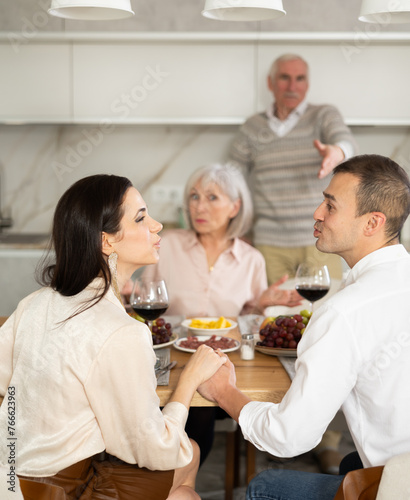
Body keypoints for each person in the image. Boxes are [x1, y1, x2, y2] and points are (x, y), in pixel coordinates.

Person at [0, 174, 228, 500]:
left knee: (189, 450)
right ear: (107, 241)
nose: (157, 225)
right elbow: (155, 450)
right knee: (185, 486)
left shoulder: (34, 303)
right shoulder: (123, 332)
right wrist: (188, 381)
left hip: (9, 480)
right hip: (66, 489)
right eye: (141, 218)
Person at [198, 154, 410, 500]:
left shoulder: (344, 312)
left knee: (265, 486)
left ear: (372, 223)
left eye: (330, 205)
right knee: (351, 463)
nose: (317, 213)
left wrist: (223, 392)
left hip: (401, 487)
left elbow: (288, 437)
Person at [140, 163, 302, 466]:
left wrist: (260, 305)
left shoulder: (251, 260)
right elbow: (148, 312)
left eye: (212, 197)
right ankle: (173, 474)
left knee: (202, 404)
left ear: (235, 206)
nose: (199, 206)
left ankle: (177, 473)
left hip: (222, 368)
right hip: (167, 365)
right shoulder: (167, 246)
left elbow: (249, 329)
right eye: (194, 196)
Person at [229, 53, 358, 285]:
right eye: (284, 78)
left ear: (307, 84)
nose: (292, 86)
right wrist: (237, 231)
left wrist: (337, 152)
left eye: (299, 79)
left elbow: (346, 142)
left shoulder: (323, 116)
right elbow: (232, 183)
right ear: (270, 82)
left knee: (323, 311)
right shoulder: (252, 127)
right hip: (269, 244)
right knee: (276, 316)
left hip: (321, 239)